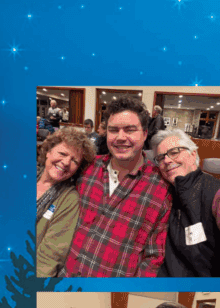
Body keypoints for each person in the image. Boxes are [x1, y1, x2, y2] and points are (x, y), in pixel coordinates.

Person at [65, 96, 171, 277]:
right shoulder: (87, 168)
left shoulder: (161, 187)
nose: (121, 137)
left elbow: (153, 259)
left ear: (145, 134)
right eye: (113, 130)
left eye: (130, 130)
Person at [150, 129, 220, 277]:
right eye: (161, 158)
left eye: (174, 152)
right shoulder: (163, 196)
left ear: (193, 154)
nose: (167, 160)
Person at [36, 128, 96, 277]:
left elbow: (49, 258)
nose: (66, 162)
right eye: (62, 154)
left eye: (74, 160)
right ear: (48, 151)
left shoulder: (68, 200)